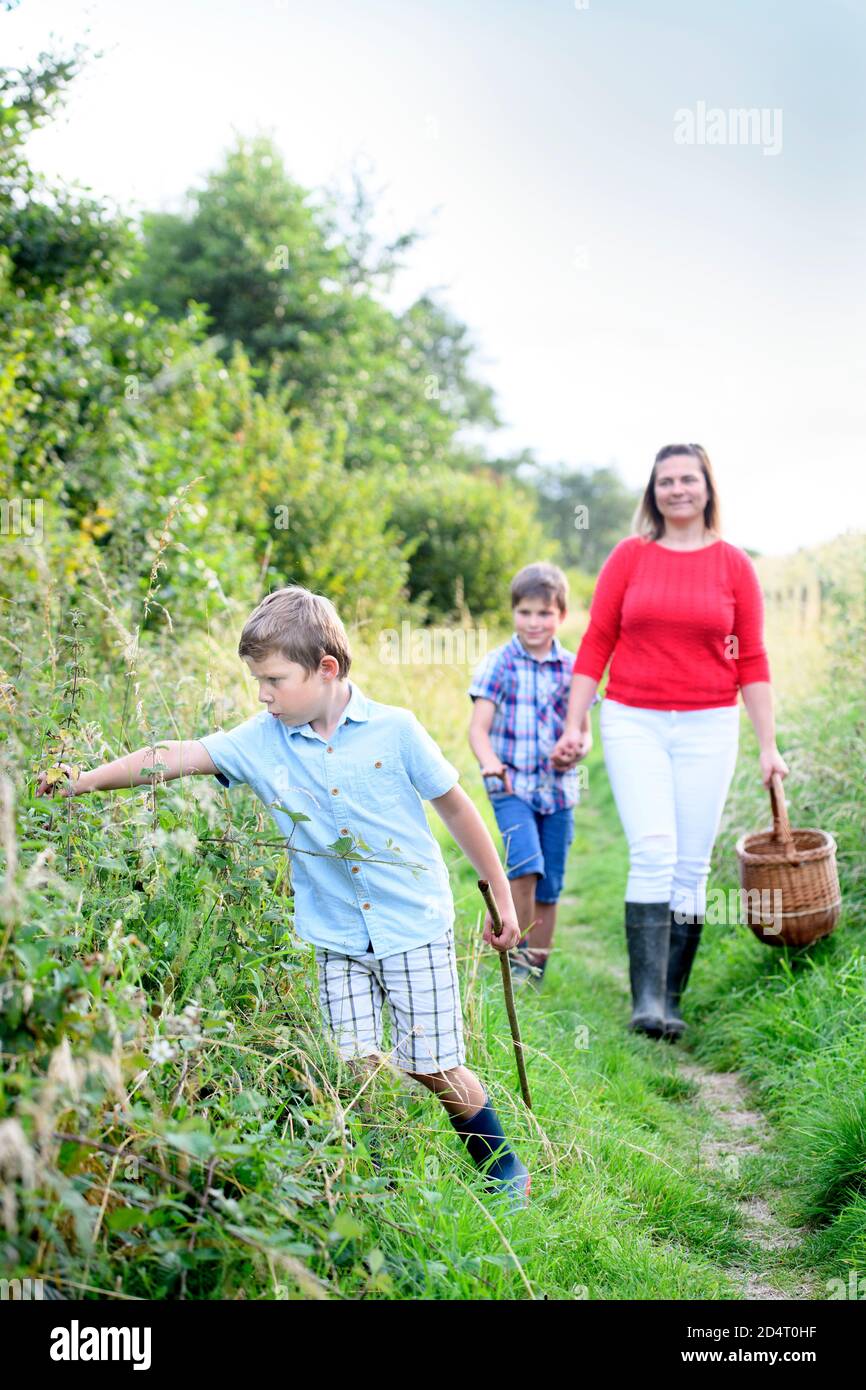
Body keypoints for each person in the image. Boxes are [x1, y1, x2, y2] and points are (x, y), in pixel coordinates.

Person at [36, 585, 531, 1205]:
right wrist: (81, 782)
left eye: (273, 680)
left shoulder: (396, 731)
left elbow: (457, 811)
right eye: (257, 681)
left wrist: (504, 902)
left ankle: (500, 1162)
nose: (263, 696)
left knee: (431, 1063)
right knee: (349, 1064)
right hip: (335, 934)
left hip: (413, 924)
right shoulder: (260, 740)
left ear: (326, 669)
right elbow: (175, 757)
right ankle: (373, 1178)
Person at [552, 445, 789, 1040]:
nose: (677, 489)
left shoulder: (734, 565)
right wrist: (575, 722)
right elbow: (597, 641)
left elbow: (752, 658)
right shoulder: (630, 557)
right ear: (652, 492)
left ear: (707, 487)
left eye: (688, 478)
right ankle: (646, 1003)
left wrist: (769, 746)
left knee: (692, 863)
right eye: (666, 481)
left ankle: (672, 1000)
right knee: (654, 850)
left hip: (711, 723)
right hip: (635, 719)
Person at [468, 562, 592, 985]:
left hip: (557, 791)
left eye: (544, 613)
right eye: (525, 612)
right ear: (513, 612)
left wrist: (574, 751)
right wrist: (489, 762)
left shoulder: (574, 668)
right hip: (511, 786)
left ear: (561, 615)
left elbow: (585, 735)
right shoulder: (499, 664)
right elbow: (478, 730)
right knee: (525, 865)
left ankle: (536, 967)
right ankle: (514, 954)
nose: (534, 622)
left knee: (550, 884)